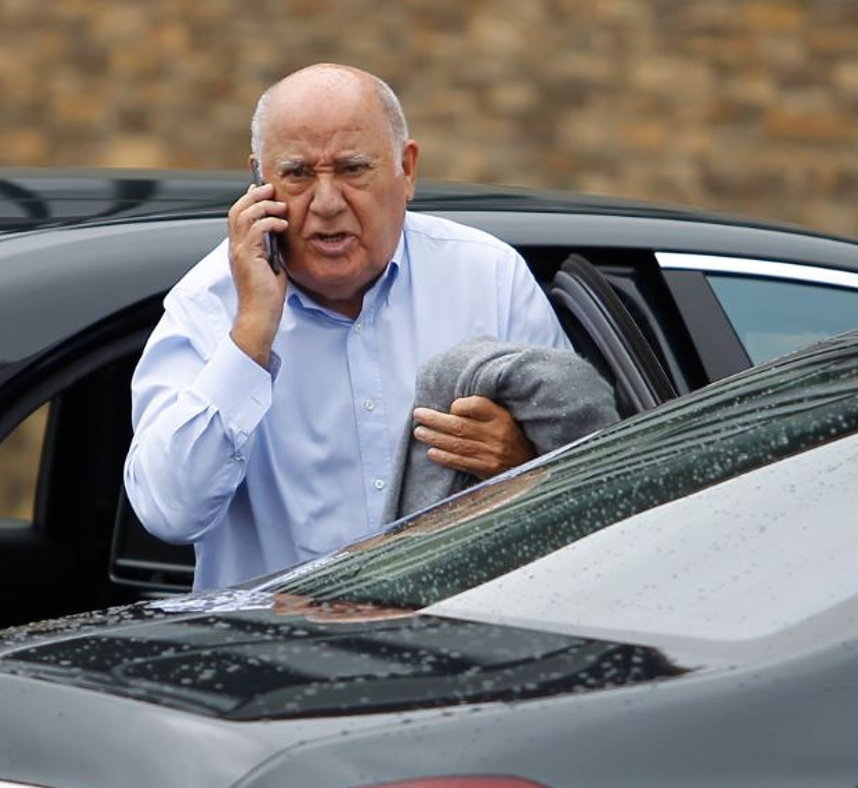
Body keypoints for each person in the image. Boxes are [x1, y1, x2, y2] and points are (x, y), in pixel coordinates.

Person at [123, 64, 570, 590]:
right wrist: (251, 334)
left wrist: (519, 463)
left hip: (463, 630)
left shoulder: (488, 277)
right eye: (297, 174)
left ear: (407, 170)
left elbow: (589, 480)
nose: (327, 203)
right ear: (258, 182)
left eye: (353, 169)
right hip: (282, 638)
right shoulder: (208, 306)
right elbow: (170, 513)